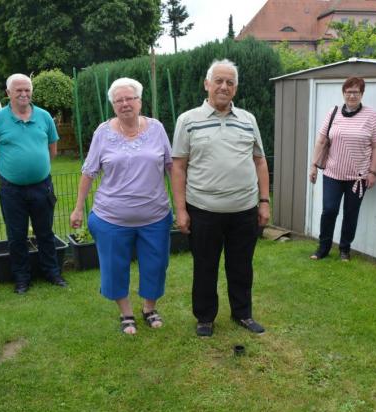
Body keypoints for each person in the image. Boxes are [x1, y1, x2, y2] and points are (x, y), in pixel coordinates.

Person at [172, 59, 271, 337]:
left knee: (241, 266)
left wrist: (264, 201)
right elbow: (178, 166)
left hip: (244, 210)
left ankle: (243, 314)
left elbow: (260, 161)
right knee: (205, 266)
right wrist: (181, 210)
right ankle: (205, 317)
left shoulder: (248, 120)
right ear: (207, 84)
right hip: (204, 210)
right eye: (219, 81)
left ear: (235, 89)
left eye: (229, 83)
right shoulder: (188, 121)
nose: (224, 87)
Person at [70, 78, 173, 335]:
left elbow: (172, 167)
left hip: (155, 215)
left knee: (156, 264)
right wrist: (79, 208)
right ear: (113, 105)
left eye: (130, 99)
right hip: (111, 217)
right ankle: (125, 313)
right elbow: (89, 171)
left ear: (140, 101)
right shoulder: (102, 132)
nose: (125, 104)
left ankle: (149, 308)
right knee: (114, 267)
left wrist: (182, 205)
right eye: (119, 100)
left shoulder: (157, 128)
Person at [0, 74, 66, 294]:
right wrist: (4, 177)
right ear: (8, 93)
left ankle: (52, 273)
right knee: (16, 235)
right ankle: (21, 279)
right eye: (18, 90)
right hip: (11, 190)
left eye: (27, 89)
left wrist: (37, 168)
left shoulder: (44, 117)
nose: (23, 94)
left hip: (42, 186)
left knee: (45, 232)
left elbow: (52, 150)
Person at [308, 77, 376, 261]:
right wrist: (313, 166)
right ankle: (323, 248)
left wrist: (373, 172)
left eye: (356, 92)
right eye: (348, 92)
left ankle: (345, 249)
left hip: (358, 178)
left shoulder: (371, 115)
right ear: (343, 93)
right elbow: (321, 141)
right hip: (332, 174)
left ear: (362, 94)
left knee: (351, 214)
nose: (352, 95)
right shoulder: (333, 113)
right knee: (329, 210)